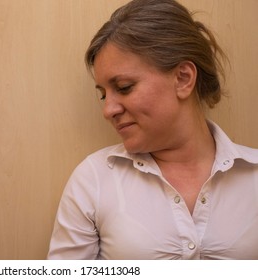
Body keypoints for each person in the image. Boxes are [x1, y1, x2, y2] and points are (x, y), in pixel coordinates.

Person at [47, 0, 258, 260]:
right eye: (103, 95)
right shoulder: (94, 180)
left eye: (124, 87)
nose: (108, 110)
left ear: (183, 78)